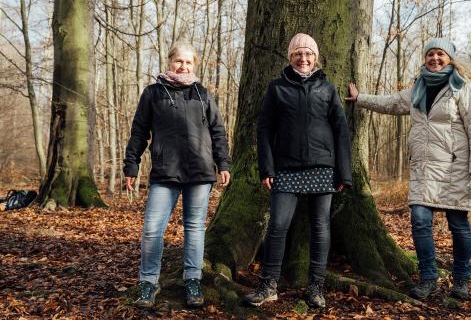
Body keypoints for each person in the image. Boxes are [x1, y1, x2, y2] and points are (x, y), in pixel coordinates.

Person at [346, 38, 471, 300]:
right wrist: (360, 99)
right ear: (425, 59)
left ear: (450, 59)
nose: (435, 58)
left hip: (455, 167)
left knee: (458, 225)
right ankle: (427, 278)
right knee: (420, 221)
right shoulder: (418, 88)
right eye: (430, 54)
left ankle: (461, 281)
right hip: (424, 168)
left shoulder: (463, 87)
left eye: (440, 54)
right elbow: (391, 102)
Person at [244, 33, 352, 308]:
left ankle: (316, 287)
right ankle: (269, 285)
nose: (303, 59)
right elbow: (265, 130)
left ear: (315, 57)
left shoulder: (328, 89)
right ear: (290, 57)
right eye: (297, 54)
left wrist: (344, 172)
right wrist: (266, 167)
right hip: (286, 168)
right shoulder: (277, 88)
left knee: (320, 227)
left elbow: (340, 130)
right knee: (278, 225)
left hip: (322, 167)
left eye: (308, 54)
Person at [123, 42, 230, 308]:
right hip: (165, 172)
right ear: (169, 62)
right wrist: (131, 165)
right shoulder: (153, 93)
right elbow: (139, 131)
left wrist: (223, 164)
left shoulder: (202, 94)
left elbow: (218, 131)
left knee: (194, 229)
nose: (183, 66)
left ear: (195, 65)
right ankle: (148, 283)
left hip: (199, 171)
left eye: (188, 62)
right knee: (151, 230)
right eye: (178, 61)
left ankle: (192, 279)